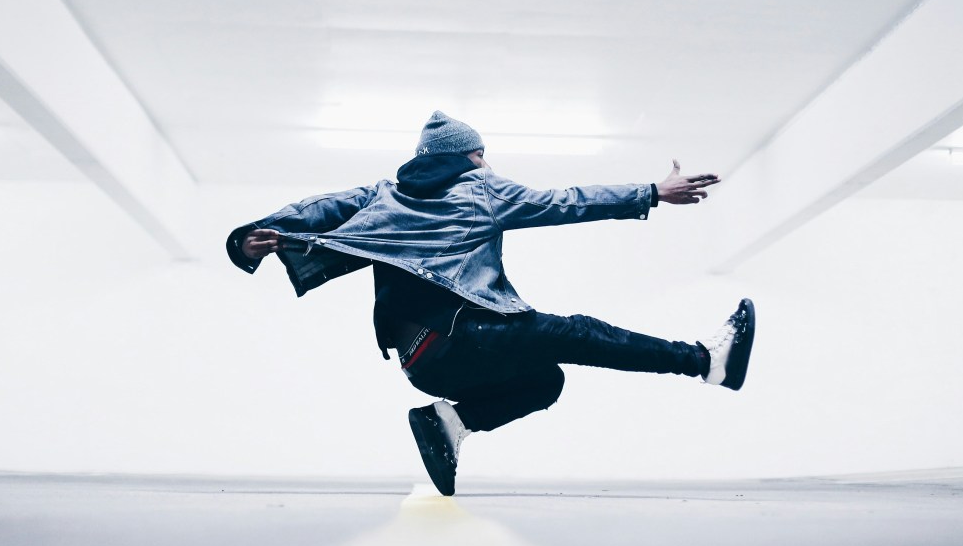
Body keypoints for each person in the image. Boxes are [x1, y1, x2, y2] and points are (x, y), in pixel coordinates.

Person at [226, 111, 755, 495]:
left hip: (423, 364)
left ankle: (447, 424)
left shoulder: (380, 194)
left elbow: (319, 207)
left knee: (545, 379)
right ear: (468, 155)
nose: (485, 160)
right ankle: (705, 361)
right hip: (464, 338)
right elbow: (563, 202)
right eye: (481, 153)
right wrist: (652, 192)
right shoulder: (481, 187)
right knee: (571, 332)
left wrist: (251, 236)